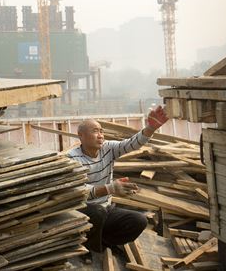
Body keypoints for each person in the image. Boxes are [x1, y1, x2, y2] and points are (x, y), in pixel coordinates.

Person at [67, 105, 169, 253]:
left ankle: (103, 243)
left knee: (139, 221)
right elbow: (78, 191)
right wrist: (110, 189)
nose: (100, 135)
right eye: (95, 131)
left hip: (106, 208)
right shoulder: (72, 158)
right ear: (81, 135)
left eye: (102, 131)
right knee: (97, 212)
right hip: (83, 211)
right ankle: (90, 249)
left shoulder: (107, 148)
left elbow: (130, 144)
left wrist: (150, 128)